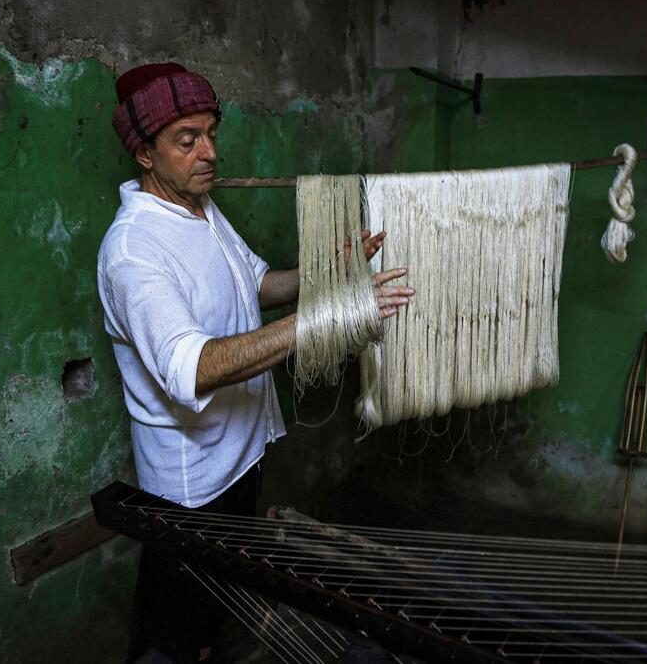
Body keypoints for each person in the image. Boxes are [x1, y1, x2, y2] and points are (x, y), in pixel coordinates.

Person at [98, 62, 414, 664]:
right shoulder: (134, 250)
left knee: (220, 613)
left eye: (211, 134)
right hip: (191, 484)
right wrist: (324, 317)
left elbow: (259, 284)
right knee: (178, 632)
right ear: (144, 153)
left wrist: (332, 273)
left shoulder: (200, 209)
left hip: (241, 454)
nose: (209, 152)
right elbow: (191, 368)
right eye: (187, 140)